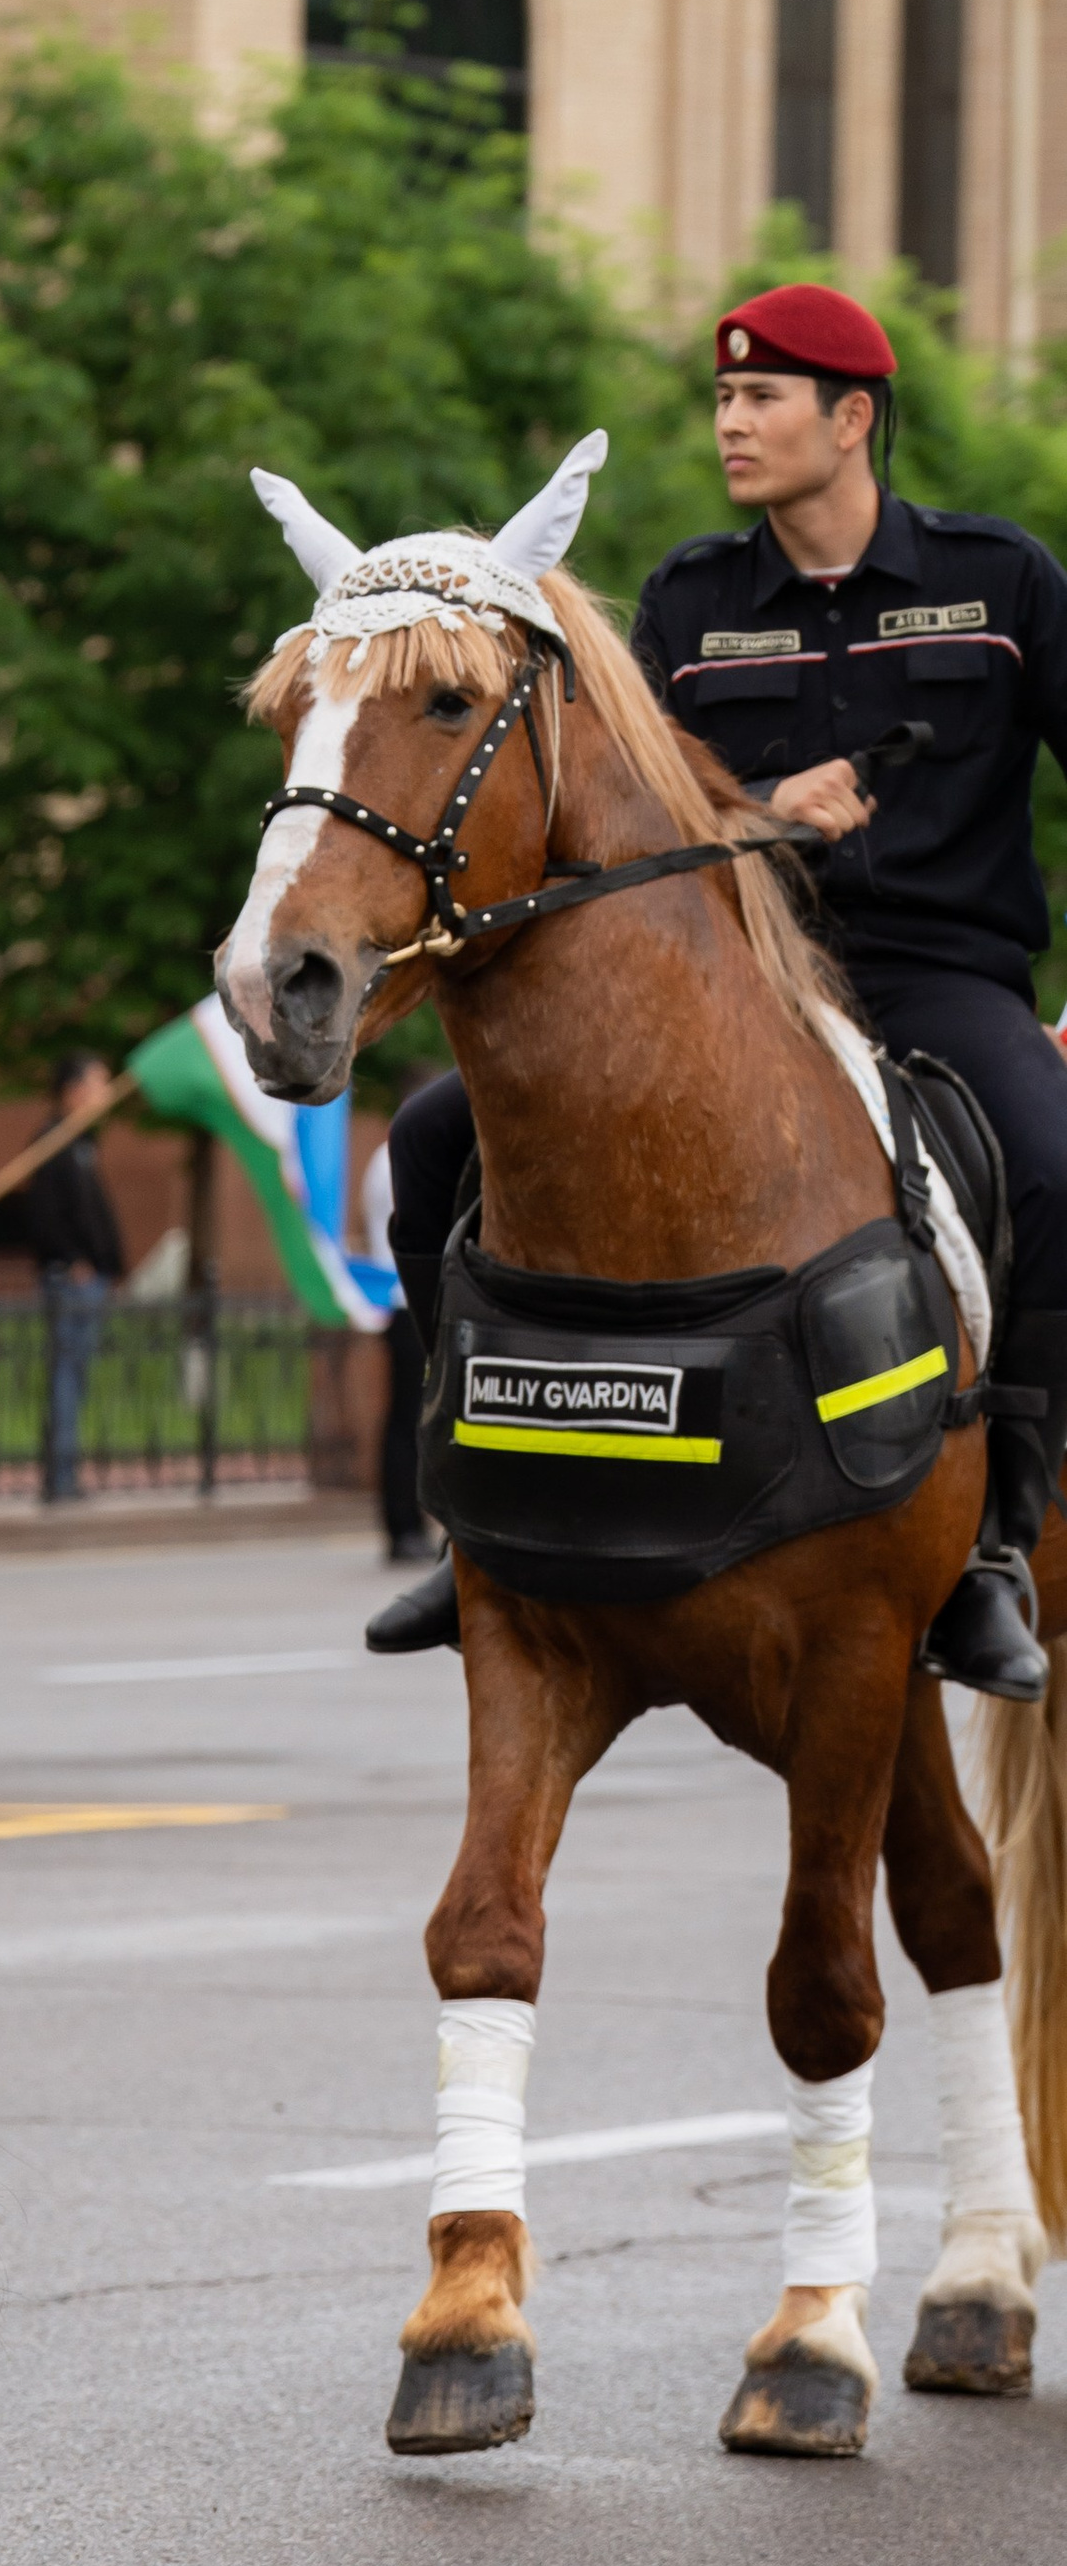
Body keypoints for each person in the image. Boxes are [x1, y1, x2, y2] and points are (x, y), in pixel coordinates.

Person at [368, 282, 1067, 1699]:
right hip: (741, 978)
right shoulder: (690, 596)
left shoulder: (1002, 581)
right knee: (434, 1143)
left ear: (851, 417)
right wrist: (754, 811)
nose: (729, 422)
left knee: (1052, 1163)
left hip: (937, 978)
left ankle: (999, 1538)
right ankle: (475, 1523)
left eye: (761, 398)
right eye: (720, 397)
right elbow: (632, 819)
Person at [0, 1050, 127, 1500]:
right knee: (65, 1375)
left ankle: (67, 1471)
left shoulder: (81, 1143)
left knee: (75, 1376)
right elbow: (43, 1215)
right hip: (70, 1281)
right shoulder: (53, 1143)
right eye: (99, 1083)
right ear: (75, 1089)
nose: (106, 1094)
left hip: (90, 1279)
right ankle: (60, 1478)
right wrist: (72, 1260)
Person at [363, 1128, 434, 1566]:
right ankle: (404, 1527)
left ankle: (405, 1525)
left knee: (407, 1419)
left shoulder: (382, 1158)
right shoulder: (401, 1157)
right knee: (410, 1420)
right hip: (408, 1299)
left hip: (401, 1299)